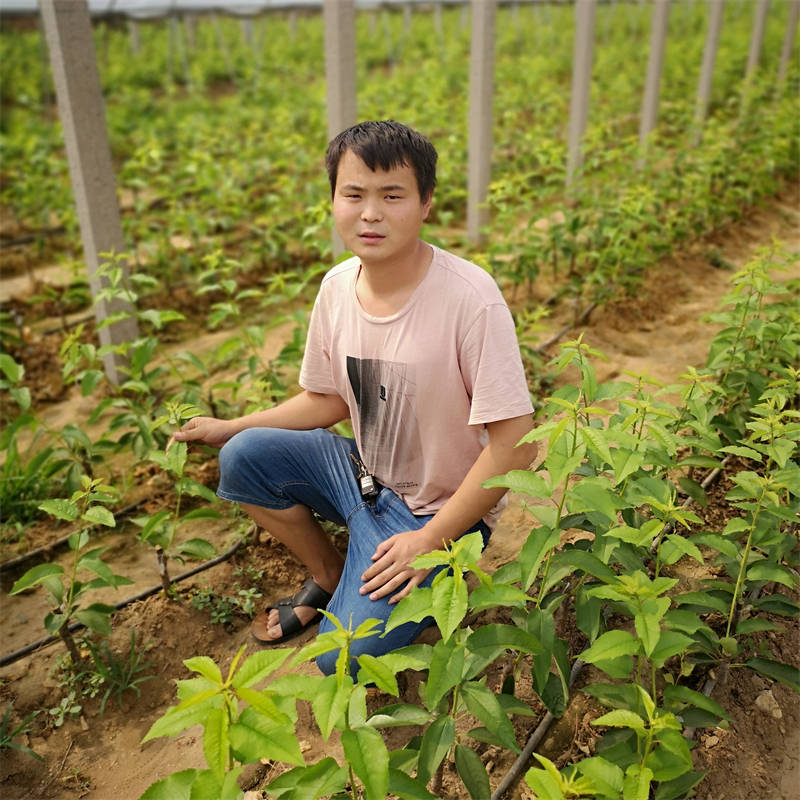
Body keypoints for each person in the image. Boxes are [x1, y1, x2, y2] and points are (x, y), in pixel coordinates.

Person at [171, 120, 536, 675]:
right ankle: (330, 575)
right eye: (354, 194)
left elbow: (515, 445)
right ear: (334, 201)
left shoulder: (470, 300)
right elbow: (327, 401)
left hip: (437, 512)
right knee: (243, 456)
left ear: (426, 204)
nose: (371, 213)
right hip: (361, 475)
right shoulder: (338, 287)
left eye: (393, 195)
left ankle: (411, 574)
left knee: (344, 659)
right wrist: (231, 425)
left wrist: (429, 539)